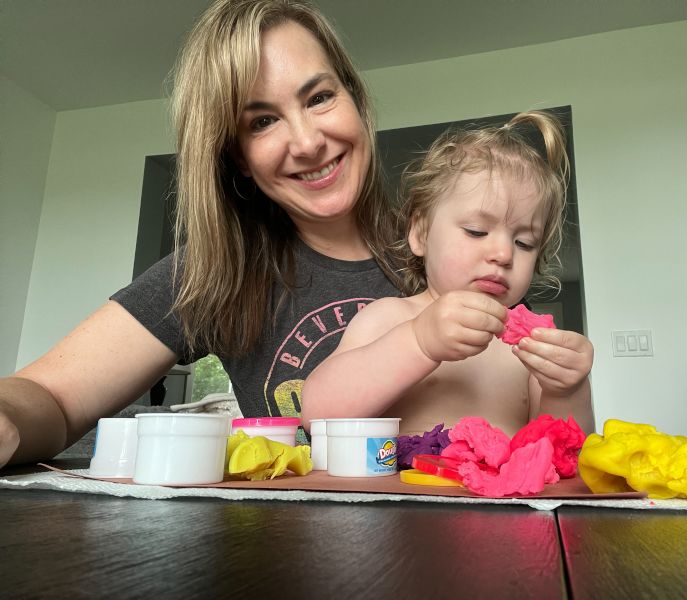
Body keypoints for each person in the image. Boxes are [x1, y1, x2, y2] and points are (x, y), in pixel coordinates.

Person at [0, 0, 405, 468]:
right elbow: (52, 394)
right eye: (262, 121)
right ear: (238, 158)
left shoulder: (472, 247)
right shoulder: (220, 270)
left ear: (354, 99)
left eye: (319, 98)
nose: (308, 142)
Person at [302, 110, 595, 437]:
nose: (503, 254)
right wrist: (418, 342)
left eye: (524, 243)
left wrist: (567, 391)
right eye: (476, 231)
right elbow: (316, 415)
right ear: (420, 234)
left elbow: (566, 453)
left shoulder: (526, 352)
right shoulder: (389, 319)